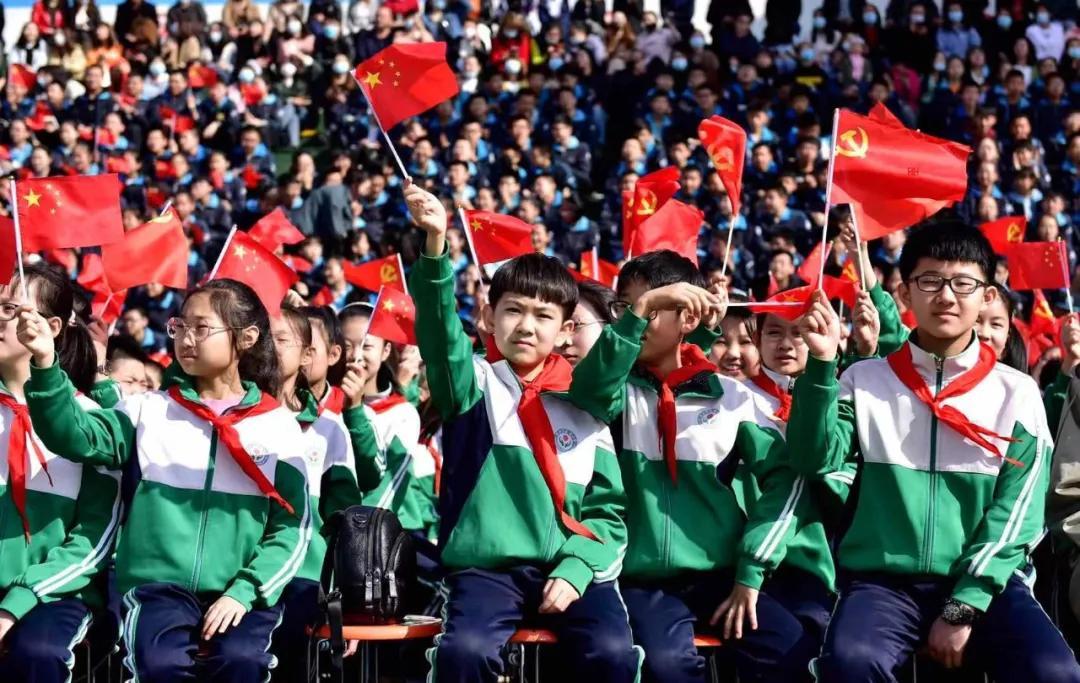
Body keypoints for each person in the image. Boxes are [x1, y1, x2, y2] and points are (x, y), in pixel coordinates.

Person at [788, 223, 1080, 683]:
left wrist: (964, 605)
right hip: (884, 584)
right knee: (851, 661)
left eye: (963, 283)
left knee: (1054, 670)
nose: (946, 296)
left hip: (987, 583)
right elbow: (812, 459)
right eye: (930, 281)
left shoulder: (1017, 392)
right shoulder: (863, 380)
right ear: (905, 293)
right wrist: (822, 366)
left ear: (986, 296)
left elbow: (1019, 515)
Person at [405, 181, 639, 683]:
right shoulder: (472, 385)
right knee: (465, 652)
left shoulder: (586, 401)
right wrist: (435, 247)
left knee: (613, 654)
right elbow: (440, 336)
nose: (527, 326)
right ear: (489, 317)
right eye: (514, 310)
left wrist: (577, 569)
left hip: (575, 571)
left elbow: (609, 513)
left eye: (544, 315)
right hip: (486, 573)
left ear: (565, 330)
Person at [21, 279, 310, 682]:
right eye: (180, 326)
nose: (186, 338)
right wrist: (44, 363)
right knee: (160, 665)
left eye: (202, 328)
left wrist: (244, 592)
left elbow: (292, 529)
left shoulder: (277, 425)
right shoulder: (146, 411)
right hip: (157, 590)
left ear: (246, 338)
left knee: (242, 661)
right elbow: (73, 434)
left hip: (244, 594)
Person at [569, 249, 816, 682]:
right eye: (626, 307)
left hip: (724, 577)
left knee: (792, 651)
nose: (634, 318)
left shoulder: (734, 398)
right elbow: (588, 390)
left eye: (651, 308)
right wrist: (644, 310)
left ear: (687, 319)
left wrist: (751, 572)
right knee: (667, 666)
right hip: (643, 580)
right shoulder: (616, 392)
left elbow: (787, 481)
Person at [0, 264, 120, 683]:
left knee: (37, 652)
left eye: (11, 308)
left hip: (56, 593)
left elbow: (94, 539)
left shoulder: (91, 421)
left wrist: (13, 605)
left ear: (52, 327)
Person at [269, 306, 362, 682]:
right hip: (232, 576)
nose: (270, 347)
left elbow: (346, 522)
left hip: (303, 580)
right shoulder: (230, 419)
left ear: (307, 354)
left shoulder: (330, 429)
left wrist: (349, 603)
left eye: (281, 339)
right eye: (264, 337)